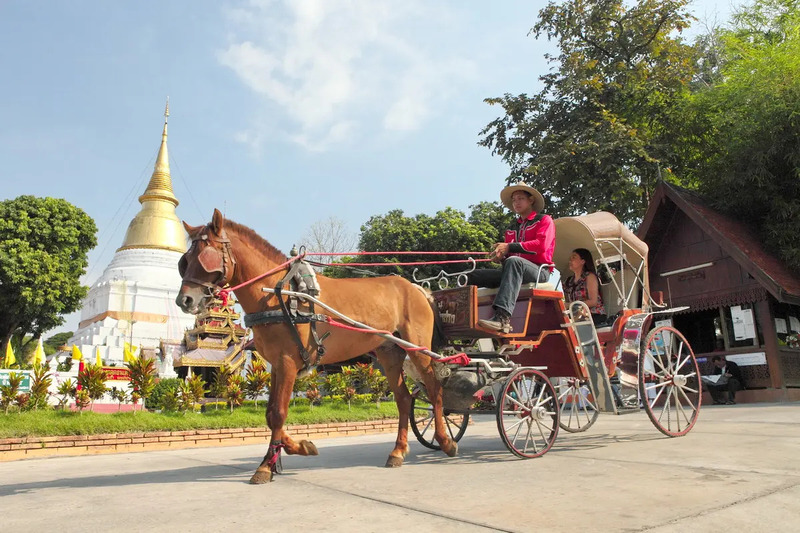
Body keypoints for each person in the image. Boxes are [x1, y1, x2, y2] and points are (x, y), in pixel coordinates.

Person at [473, 183, 555, 333]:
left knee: (513, 262)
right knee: (473, 274)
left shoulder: (544, 220)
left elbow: (541, 246)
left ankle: (502, 318)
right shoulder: (511, 228)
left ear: (531, 200)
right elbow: (509, 257)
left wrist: (509, 248)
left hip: (539, 272)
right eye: (514, 200)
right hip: (513, 270)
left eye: (520, 198)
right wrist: (500, 256)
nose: (516, 202)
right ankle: (462, 318)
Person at [563, 248, 607, 325]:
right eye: (570, 258)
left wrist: (570, 305)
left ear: (583, 261)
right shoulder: (568, 281)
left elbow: (593, 302)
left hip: (593, 315)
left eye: (574, 257)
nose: (570, 260)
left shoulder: (590, 277)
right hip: (577, 316)